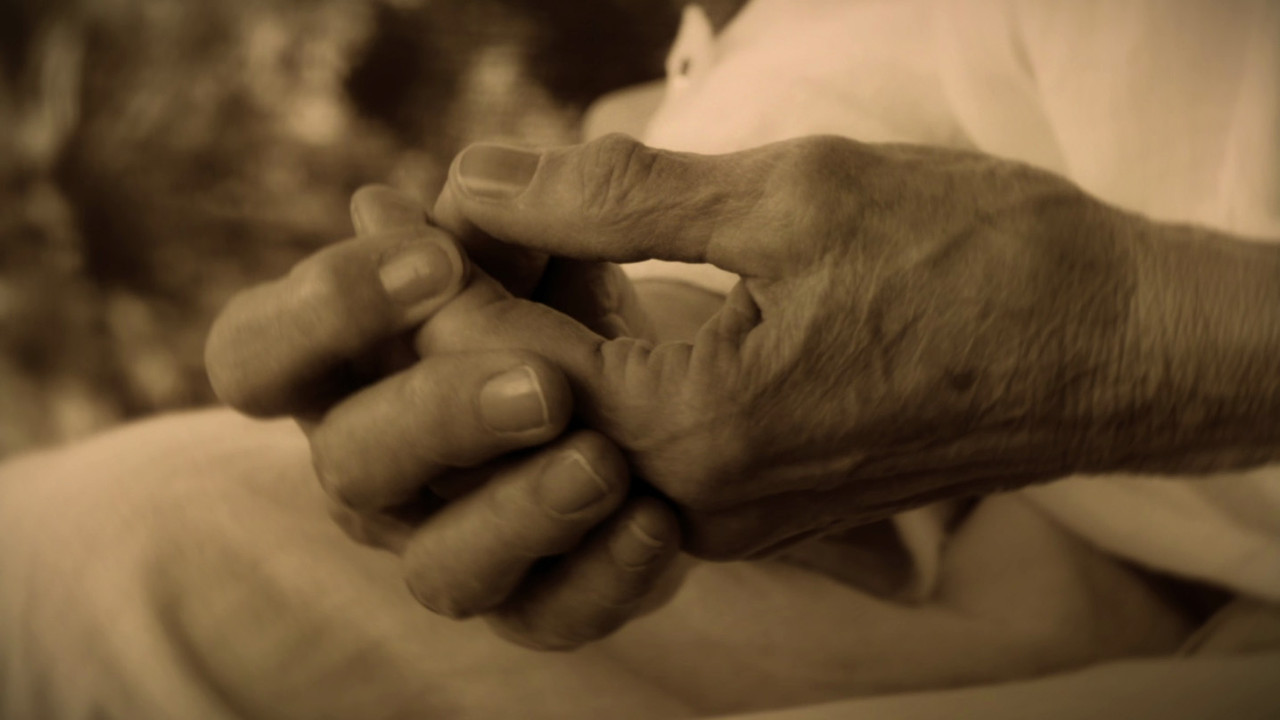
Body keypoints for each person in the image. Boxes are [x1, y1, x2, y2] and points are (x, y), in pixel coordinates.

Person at [3, 1, 1279, 718]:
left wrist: (1142, 336)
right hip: (1093, 558)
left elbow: (1077, 308)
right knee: (77, 569)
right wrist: (632, 367)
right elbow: (908, 105)